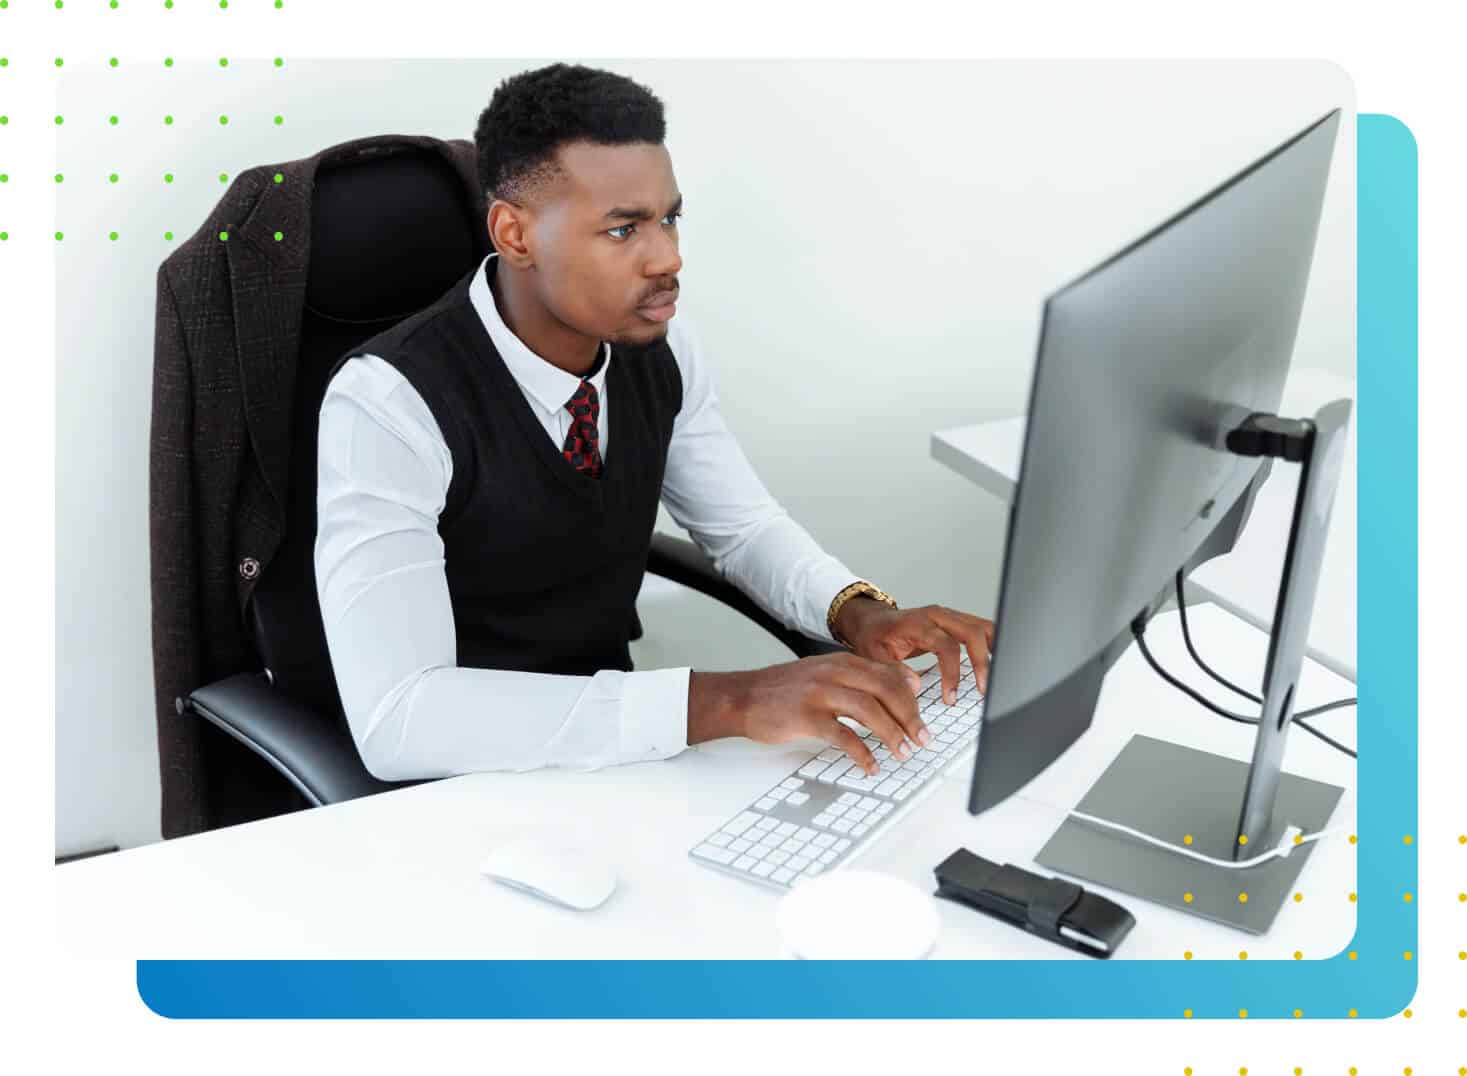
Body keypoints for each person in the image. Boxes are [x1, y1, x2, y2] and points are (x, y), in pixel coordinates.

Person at [314, 63, 994, 783]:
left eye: (668, 218)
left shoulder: (656, 346)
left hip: (609, 755)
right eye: (622, 229)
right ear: (514, 234)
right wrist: (728, 700)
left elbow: (741, 527)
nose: (668, 258)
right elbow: (401, 719)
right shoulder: (388, 405)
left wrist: (856, 613)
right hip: (446, 783)